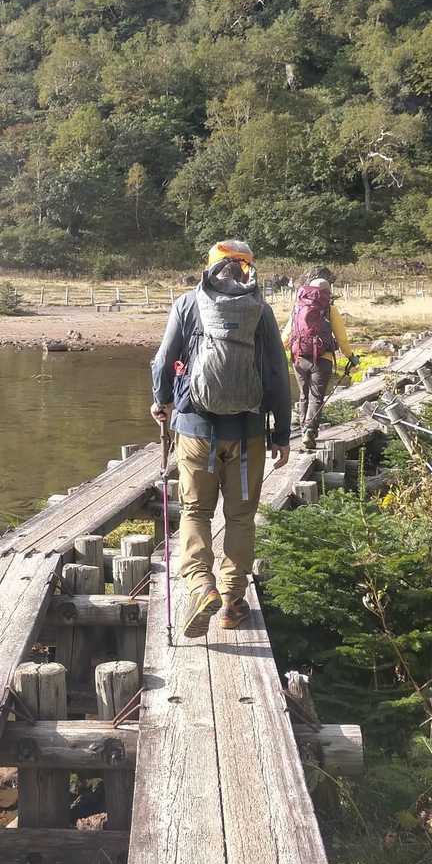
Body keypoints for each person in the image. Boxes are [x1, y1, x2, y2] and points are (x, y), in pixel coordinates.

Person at [151, 240, 293, 637]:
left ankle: (201, 585)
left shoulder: (187, 303)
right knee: (240, 516)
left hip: (196, 430)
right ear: (248, 269)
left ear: (210, 267)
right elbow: (278, 374)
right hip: (248, 434)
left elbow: (163, 361)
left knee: (196, 511)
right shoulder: (260, 309)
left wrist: (161, 401)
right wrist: (281, 433)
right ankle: (231, 602)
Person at [283, 268, 358, 452]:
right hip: (322, 359)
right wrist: (351, 357)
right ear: (328, 292)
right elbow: (342, 338)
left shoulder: (298, 307)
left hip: (299, 357)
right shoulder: (330, 309)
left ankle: (304, 429)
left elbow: (286, 335)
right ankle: (309, 431)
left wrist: (277, 353)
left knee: (303, 394)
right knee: (316, 396)